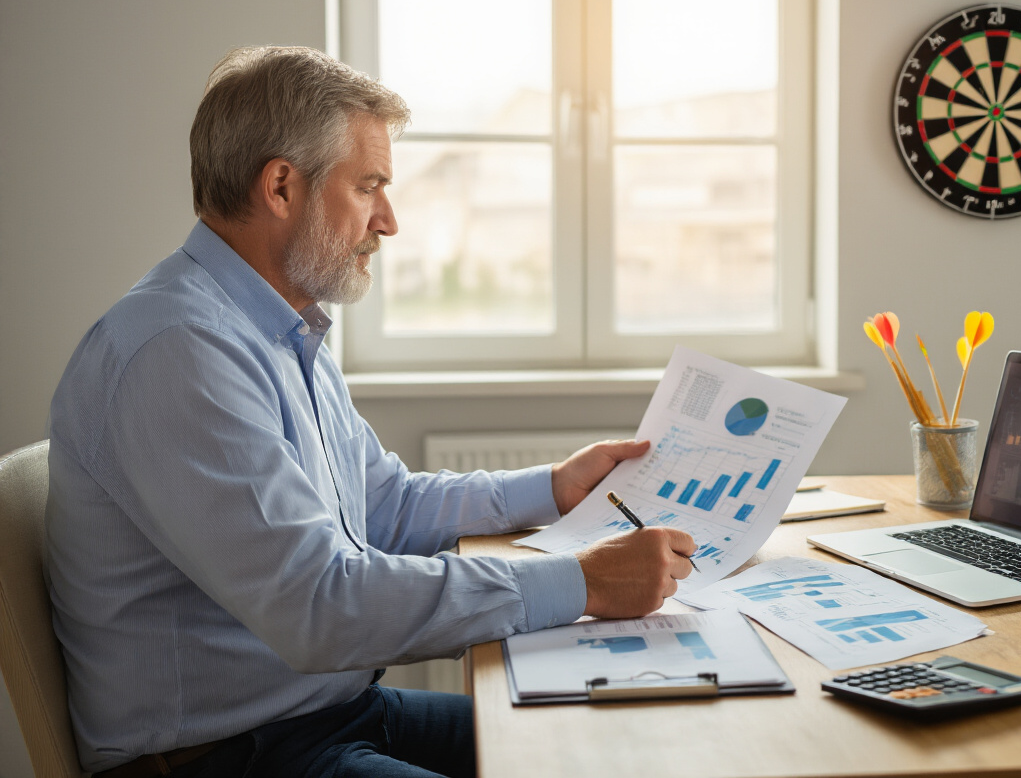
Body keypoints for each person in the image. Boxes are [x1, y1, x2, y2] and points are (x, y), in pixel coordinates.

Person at [44, 46, 696, 778]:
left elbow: (383, 507)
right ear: (282, 187)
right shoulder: (179, 351)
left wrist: (552, 489)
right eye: (370, 186)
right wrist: (584, 582)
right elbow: (319, 606)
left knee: (611, 750)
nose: (388, 221)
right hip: (224, 756)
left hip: (323, 715)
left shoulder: (279, 326)